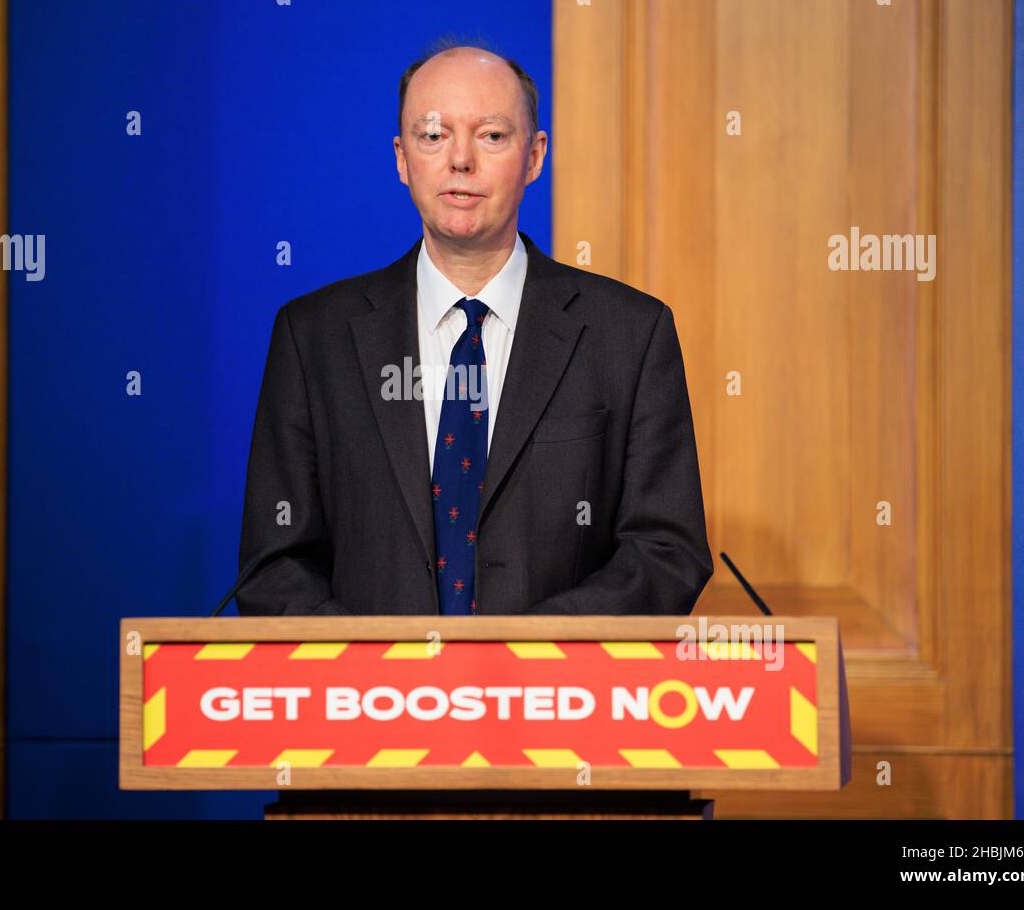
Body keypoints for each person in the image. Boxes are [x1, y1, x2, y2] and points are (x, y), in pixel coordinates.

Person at [231, 41, 712, 615]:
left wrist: (523, 659)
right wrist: (377, 669)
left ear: (535, 156)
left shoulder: (630, 335)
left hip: (554, 696)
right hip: (370, 699)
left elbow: (667, 551)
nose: (460, 160)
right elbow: (276, 565)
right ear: (402, 158)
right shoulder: (313, 338)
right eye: (433, 135)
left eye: (491, 135)